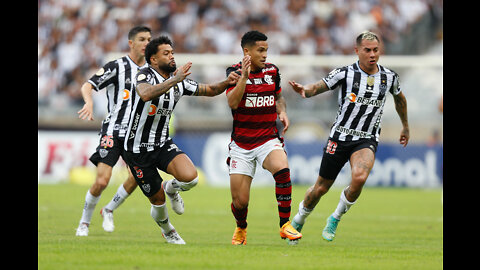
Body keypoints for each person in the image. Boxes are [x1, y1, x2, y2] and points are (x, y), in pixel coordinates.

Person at [288, 31, 409, 243]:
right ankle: (299, 219)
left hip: (366, 138)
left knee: (360, 177)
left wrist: (405, 126)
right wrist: (305, 90)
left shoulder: (389, 77)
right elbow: (320, 86)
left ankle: (335, 218)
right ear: (357, 51)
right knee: (321, 188)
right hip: (340, 136)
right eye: (367, 50)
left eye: (376, 50)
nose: (372, 54)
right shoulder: (345, 73)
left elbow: (400, 100)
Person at [122, 35, 240, 244]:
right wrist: (174, 80)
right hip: (137, 149)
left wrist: (227, 82)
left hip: (161, 143)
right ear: (154, 60)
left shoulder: (179, 81)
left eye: (172, 52)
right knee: (157, 203)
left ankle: (172, 188)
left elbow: (210, 90)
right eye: (166, 53)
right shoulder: (144, 75)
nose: (172, 56)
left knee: (191, 177)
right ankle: (168, 230)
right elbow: (145, 94)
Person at [225, 30, 302, 245]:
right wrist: (245, 77)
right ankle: (241, 227)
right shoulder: (233, 72)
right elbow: (232, 102)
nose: (265, 55)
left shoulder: (273, 71)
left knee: (282, 169)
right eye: (260, 50)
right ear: (246, 51)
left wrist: (282, 112)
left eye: (266, 50)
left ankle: (285, 225)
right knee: (240, 202)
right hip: (241, 144)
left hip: (267, 138)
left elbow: (279, 97)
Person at [75, 26, 152, 237]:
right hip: (113, 131)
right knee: (101, 181)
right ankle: (84, 222)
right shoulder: (117, 66)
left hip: (137, 136)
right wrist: (88, 102)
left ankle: (108, 209)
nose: (147, 43)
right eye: (142, 39)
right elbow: (87, 85)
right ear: (131, 43)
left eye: (149, 39)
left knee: (137, 178)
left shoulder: (153, 71)